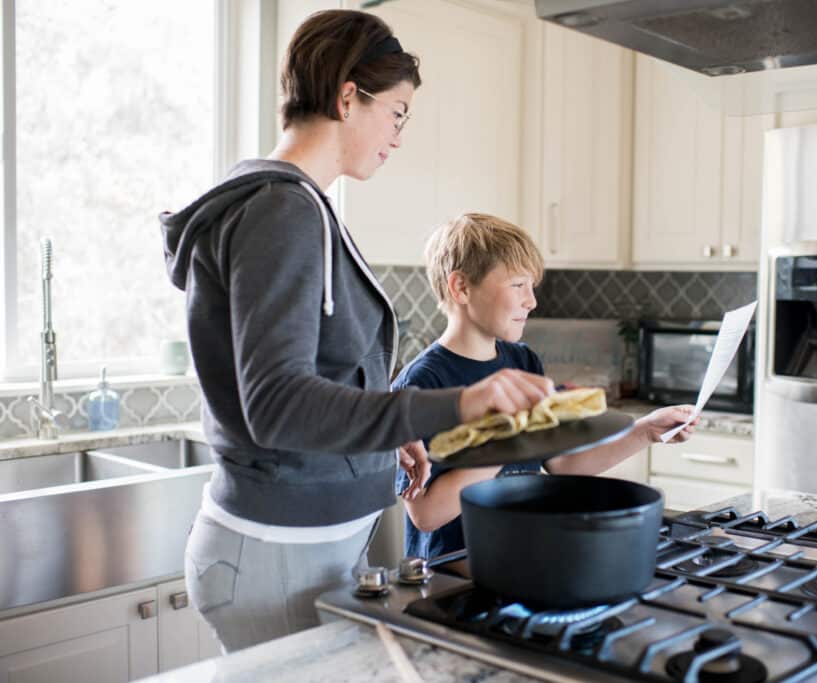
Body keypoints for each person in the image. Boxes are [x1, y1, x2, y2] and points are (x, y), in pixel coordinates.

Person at [159, 11, 552, 652]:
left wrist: (378, 441)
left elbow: (313, 381)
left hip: (296, 551)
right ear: (348, 97)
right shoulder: (283, 211)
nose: (398, 136)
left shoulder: (300, 206)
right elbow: (276, 403)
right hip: (275, 558)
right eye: (397, 113)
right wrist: (458, 403)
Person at [393, 213, 698, 560]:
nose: (531, 301)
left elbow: (563, 464)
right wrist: (506, 445)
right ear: (461, 287)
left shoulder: (523, 362)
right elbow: (426, 514)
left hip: (522, 561)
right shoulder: (422, 383)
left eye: (531, 286)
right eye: (517, 285)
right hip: (452, 578)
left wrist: (644, 432)